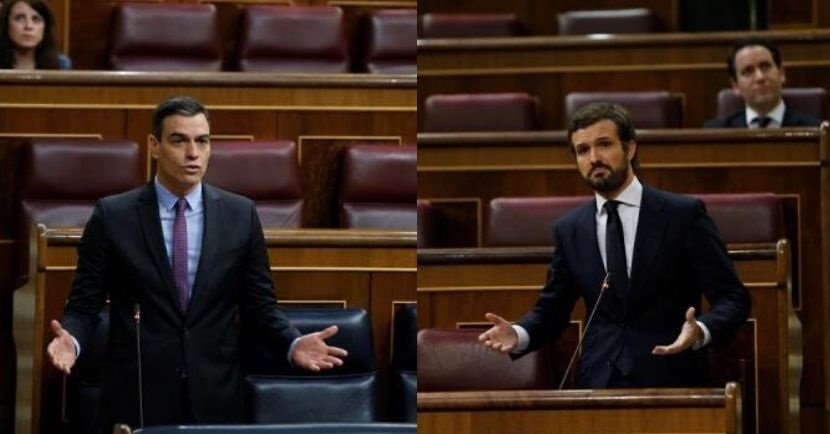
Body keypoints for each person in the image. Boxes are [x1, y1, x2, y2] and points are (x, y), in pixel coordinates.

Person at [45, 96, 347, 429]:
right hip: (138, 394)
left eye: (202, 141)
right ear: (155, 146)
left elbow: (260, 306)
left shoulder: (240, 214)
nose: (193, 153)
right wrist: (72, 341)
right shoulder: (113, 215)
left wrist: (292, 342)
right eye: (179, 141)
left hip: (215, 393)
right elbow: (84, 305)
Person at [480, 102, 751, 388]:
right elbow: (553, 310)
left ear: (630, 148)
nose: (594, 158)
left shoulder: (682, 215)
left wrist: (701, 331)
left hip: (671, 375)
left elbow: (733, 298)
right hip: (598, 382)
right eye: (582, 150)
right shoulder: (570, 229)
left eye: (604, 145)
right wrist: (519, 333)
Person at [703, 37, 820, 128]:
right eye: (748, 71)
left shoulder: (815, 130)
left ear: (781, 73)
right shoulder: (715, 132)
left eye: (765, 67)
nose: (760, 78)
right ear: (735, 86)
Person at [0, 0, 71, 69]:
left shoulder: (61, 64)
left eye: (36, 19)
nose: (28, 26)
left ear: (45, 27)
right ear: (6, 24)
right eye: (20, 18)